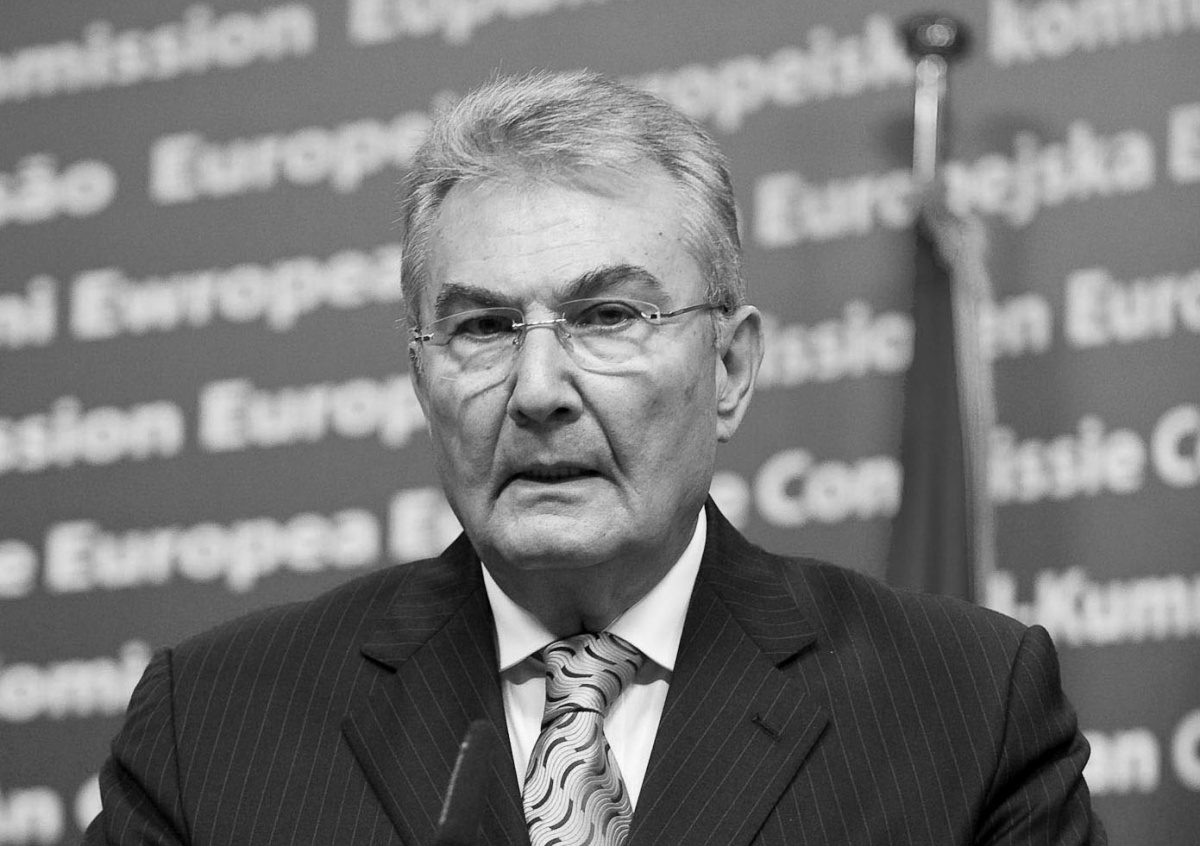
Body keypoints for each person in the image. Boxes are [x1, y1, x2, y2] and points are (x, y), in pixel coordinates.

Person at [84, 70, 1105, 846]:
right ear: (423, 379)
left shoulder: (966, 708)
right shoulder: (209, 728)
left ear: (730, 369)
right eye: (483, 328)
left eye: (608, 315)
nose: (537, 391)